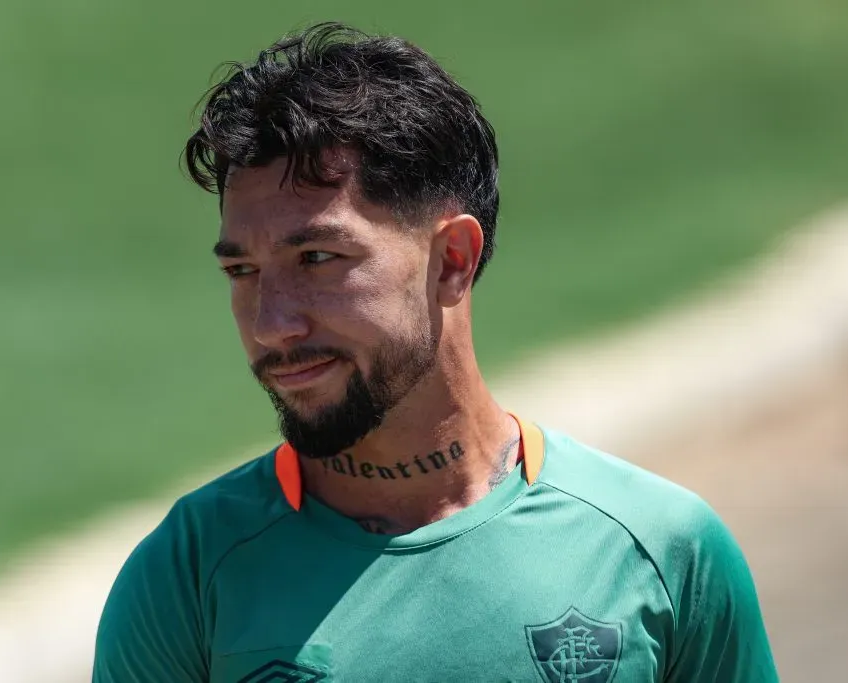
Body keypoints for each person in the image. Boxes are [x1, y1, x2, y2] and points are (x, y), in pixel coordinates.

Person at [92, 22, 777, 683]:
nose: (272, 324)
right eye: (242, 271)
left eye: (318, 257)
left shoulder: (661, 548)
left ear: (452, 259)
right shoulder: (188, 575)